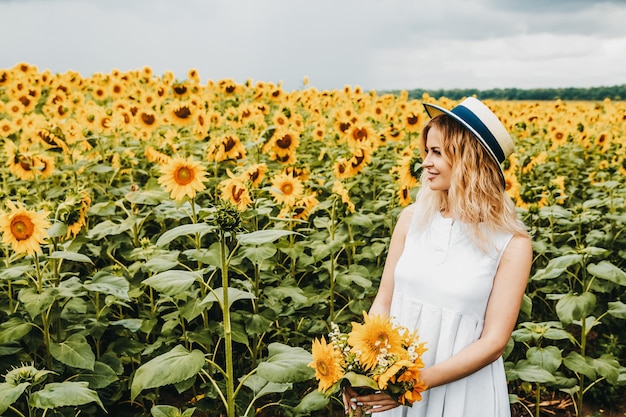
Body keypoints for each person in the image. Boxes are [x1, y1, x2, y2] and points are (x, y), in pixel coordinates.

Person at [344, 97, 533, 416]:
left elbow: (493, 342)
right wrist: (361, 367)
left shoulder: (511, 243)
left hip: (462, 393)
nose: (426, 163)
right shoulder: (412, 220)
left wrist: (414, 383)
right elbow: (384, 303)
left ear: (469, 160)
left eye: (438, 153)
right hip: (394, 382)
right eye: (427, 152)